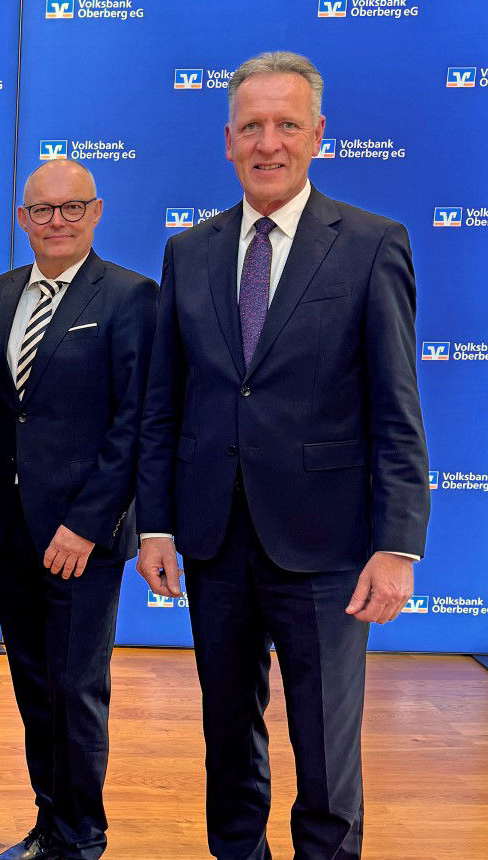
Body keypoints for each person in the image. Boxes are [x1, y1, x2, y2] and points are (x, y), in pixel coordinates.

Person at [135, 51, 430, 860]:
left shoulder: (373, 244)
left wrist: (397, 546)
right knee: (227, 738)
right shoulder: (188, 251)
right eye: (253, 127)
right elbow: (166, 402)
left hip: (329, 547)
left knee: (328, 754)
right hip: (213, 538)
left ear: (318, 136)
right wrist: (154, 526)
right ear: (227, 140)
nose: (270, 143)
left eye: (287, 124)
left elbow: (398, 410)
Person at [0, 159, 156, 860]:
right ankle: (50, 820)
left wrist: (87, 524)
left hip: (83, 539)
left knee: (76, 692)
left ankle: (81, 835)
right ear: (22, 219)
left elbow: (134, 424)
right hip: (9, 535)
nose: (58, 222)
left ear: (97, 212)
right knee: (34, 685)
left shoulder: (133, 297)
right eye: (43, 210)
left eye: (73, 208)